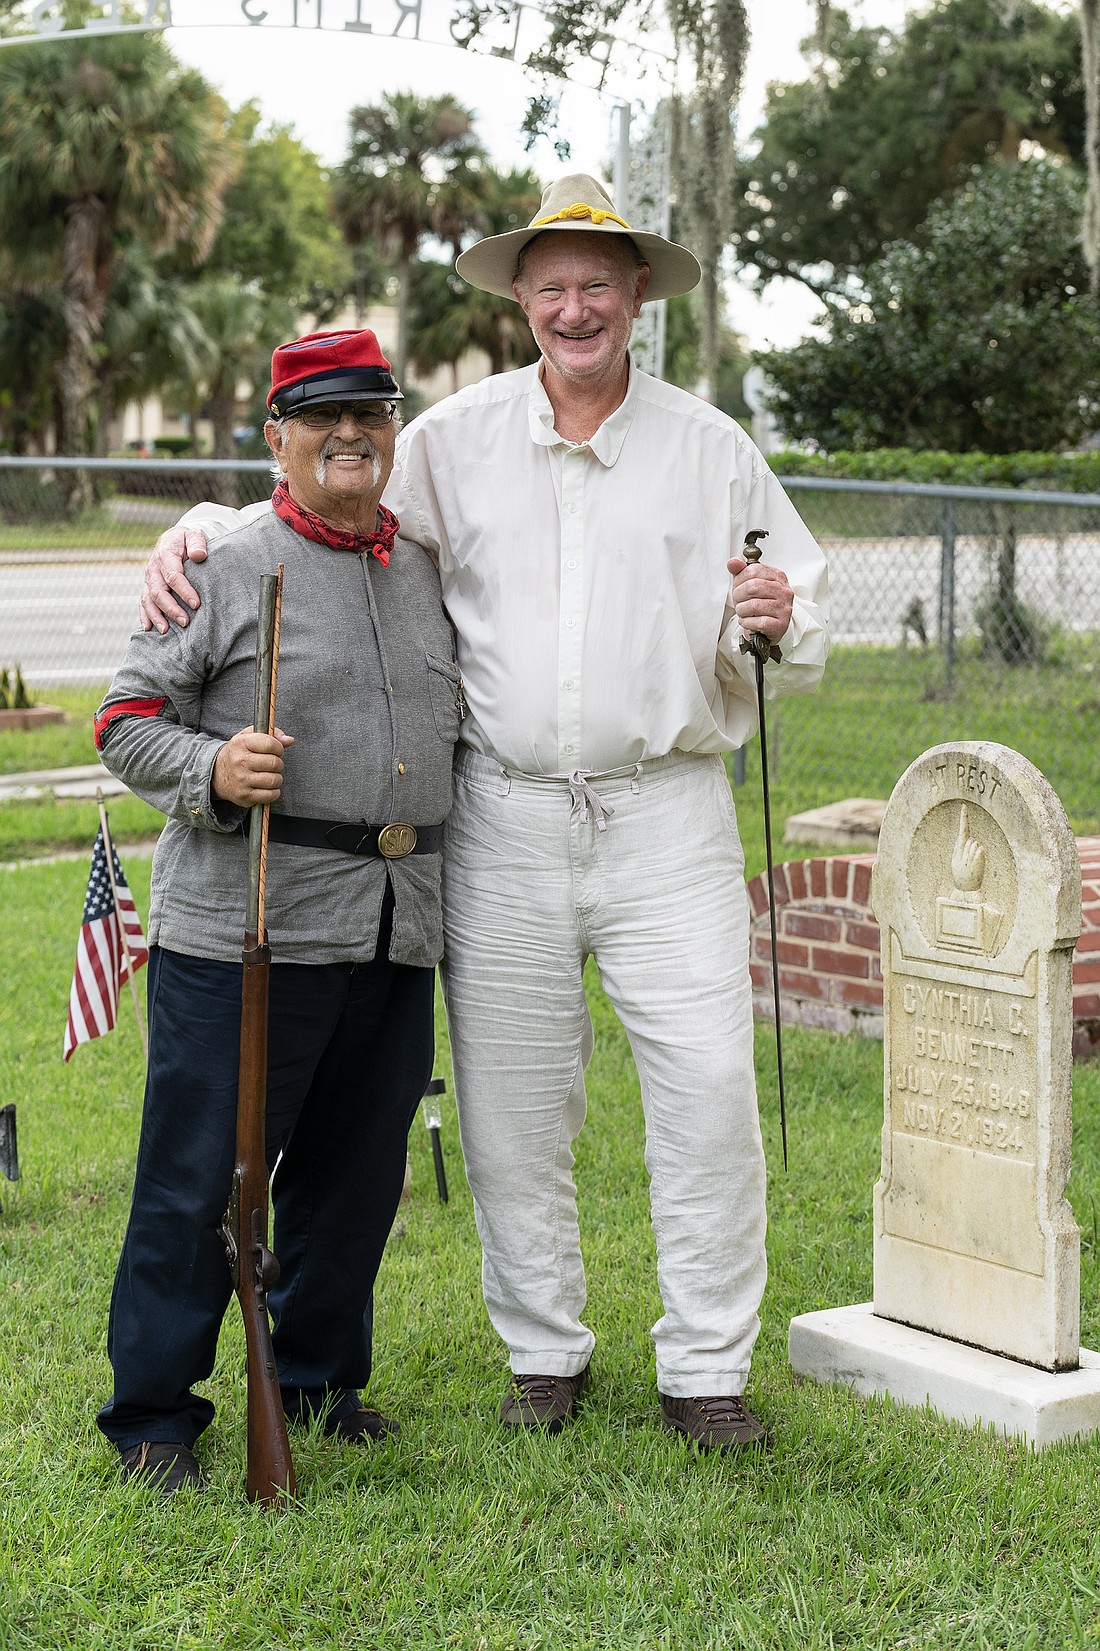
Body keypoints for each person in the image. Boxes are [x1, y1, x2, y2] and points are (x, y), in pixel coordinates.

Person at [140, 175, 830, 1454]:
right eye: (550, 285)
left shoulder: (710, 446)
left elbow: (792, 601)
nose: (575, 308)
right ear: (520, 297)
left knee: (706, 1087)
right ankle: (543, 1353)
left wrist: (782, 616)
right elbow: (330, 497)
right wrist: (202, 524)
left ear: (636, 296)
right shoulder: (452, 440)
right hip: (501, 814)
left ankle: (704, 1368)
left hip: (667, 814)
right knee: (513, 1106)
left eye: (597, 284)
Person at [97, 328, 461, 1492]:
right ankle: (154, 1413)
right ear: (277, 437)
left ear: (392, 429)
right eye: (320, 418)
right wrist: (210, 768)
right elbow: (124, 719)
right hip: (245, 929)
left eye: (371, 413)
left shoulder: (425, 569)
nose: (349, 434)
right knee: (203, 1176)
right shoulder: (223, 562)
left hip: (395, 923)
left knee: (353, 1175)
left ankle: (313, 1376)